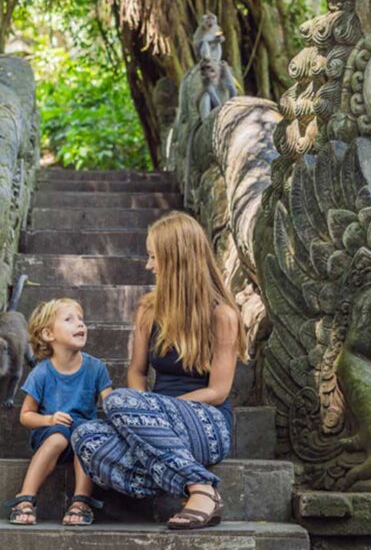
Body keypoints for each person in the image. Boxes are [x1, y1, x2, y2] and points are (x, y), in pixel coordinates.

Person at [72, 212, 248, 530]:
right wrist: (144, 411)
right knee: (85, 436)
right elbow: (137, 372)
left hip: (207, 422)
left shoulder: (222, 315)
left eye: (154, 257)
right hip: (153, 425)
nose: (148, 265)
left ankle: (202, 489)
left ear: (176, 259)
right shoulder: (148, 309)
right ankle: (183, 479)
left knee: (118, 401)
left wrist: (151, 409)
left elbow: (218, 391)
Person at [4, 298, 113, 526]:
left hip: (84, 437)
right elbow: (26, 415)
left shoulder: (96, 368)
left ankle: (81, 501)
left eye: (81, 319)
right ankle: (25, 497)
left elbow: (112, 405)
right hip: (51, 435)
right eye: (69, 319)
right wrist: (49, 419)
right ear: (48, 334)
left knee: (86, 436)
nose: (80, 324)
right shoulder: (42, 372)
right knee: (59, 437)